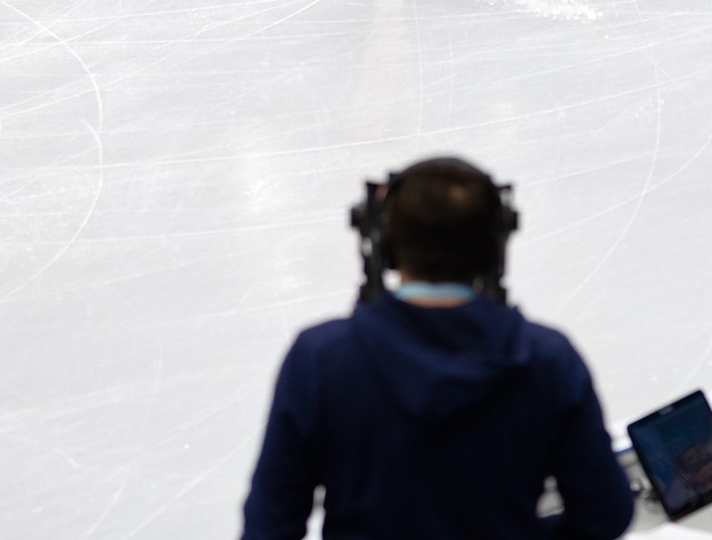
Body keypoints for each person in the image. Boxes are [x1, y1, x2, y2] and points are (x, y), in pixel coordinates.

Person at [240, 158, 632, 540]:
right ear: (495, 246)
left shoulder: (321, 359)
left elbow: (270, 524)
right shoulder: (548, 360)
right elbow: (605, 514)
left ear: (386, 242)